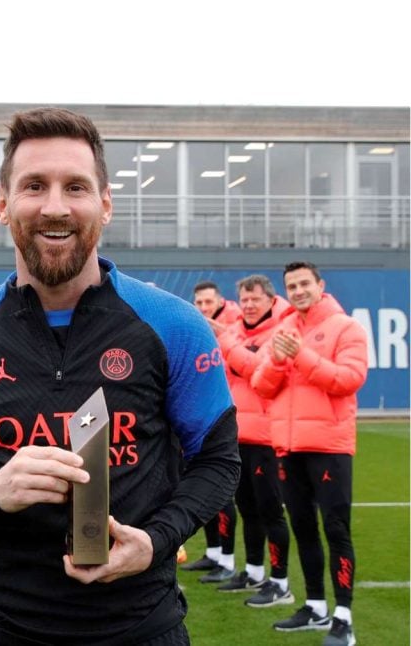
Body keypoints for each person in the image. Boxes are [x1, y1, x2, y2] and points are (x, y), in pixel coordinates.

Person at [0, 107, 241, 644]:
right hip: (4, 628)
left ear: (105, 204)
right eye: (34, 186)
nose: (55, 207)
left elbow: (218, 460)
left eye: (75, 187)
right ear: (2, 203)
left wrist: (154, 540)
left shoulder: (173, 325)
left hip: (143, 626)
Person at [251, 262, 367, 646]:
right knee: (303, 529)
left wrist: (299, 356)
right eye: (292, 285)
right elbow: (261, 386)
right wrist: (280, 360)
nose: (298, 290)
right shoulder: (284, 330)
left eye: (304, 283)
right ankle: (315, 606)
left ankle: (344, 617)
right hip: (289, 447)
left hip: (330, 448)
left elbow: (350, 379)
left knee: (336, 531)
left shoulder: (345, 327)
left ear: (321, 285)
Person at [212, 275, 293, 607]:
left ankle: (280, 582)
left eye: (254, 299)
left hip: (266, 438)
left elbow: (259, 371)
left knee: (271, 511)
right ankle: (255, 571)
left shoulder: (280, 333)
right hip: (240, 435)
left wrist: (230, 346)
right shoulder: (235, 334)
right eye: (243, 299)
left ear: (270, 301)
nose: (248, 305)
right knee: (248, 508)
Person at [181, 280, 242, 580]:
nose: (205, 308)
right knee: (202, 487)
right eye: (200, 303)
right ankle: (214, 552)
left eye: (209, 302)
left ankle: (227, 559)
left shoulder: (236, 329)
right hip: (203, 419)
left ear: (220, 301)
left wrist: (225, 338)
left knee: (223, 494)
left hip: (227, 419)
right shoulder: (196, 327)